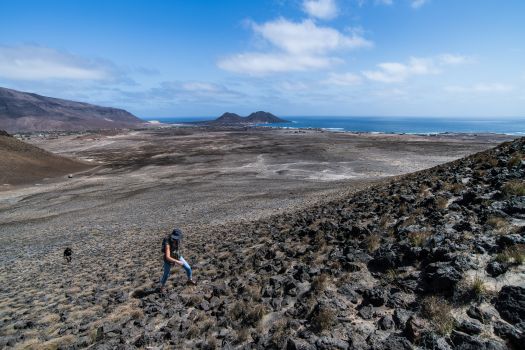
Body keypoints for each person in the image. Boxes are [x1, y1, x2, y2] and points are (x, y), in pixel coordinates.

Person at [160, 228, 196, 293]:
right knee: (166, 275)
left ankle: (189, 280)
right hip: (168, 259)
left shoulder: (177, 240)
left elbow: (177, 248)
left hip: (176, 255)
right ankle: (161, 287)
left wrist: (176, 259)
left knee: (188, 268)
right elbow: (167, 257)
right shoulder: (167, 243)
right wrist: (176, 261)